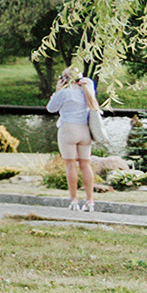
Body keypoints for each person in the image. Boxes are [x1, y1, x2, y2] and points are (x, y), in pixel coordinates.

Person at [49, 69, 104, 212]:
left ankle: (74, 201)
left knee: (70, 165)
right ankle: (90, 201)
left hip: (68, 130)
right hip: (85, 131)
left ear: (65, 79)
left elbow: (51, 108)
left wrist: (57, 90)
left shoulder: (64, 93)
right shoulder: (89, 86)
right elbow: (88, 87)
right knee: (86, 165)